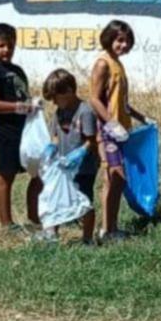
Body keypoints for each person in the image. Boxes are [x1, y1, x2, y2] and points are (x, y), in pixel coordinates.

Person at [89, 20, 149, 243]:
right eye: (119, 40)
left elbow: (121, 101)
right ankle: (107, 230)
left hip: (123, 129)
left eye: (126, 41)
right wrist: (111, 125)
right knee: (116, 177)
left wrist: (141, 117)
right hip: (108, 131)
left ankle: (111, 227)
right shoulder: (103, 64)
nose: (123, 45)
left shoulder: (118, 64)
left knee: (117, 180)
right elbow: (94, 99)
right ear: (109, 38)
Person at [0, 23, 42, 234]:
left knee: (38, 172)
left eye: (10, 45)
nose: (6, 50)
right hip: (4, 131)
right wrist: (18, 107)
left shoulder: (17, 70)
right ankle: (7, 224)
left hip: (23, 131)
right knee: (6, 176)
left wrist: (33, 105)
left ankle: (34, 217)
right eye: (1, 45)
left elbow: (23, 96)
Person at [31, 69, 99, 245]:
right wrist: (51, 148)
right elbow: (55, 135)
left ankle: (87, 238)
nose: (53, 102)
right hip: (62, 166)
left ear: (68, 91)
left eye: (55, 97)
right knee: (56, 198)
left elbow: (91, 140)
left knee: (84, 201)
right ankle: (52, 234)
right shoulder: (59, 113)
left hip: (83, 167)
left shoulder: (85, 112)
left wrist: (80, 153)